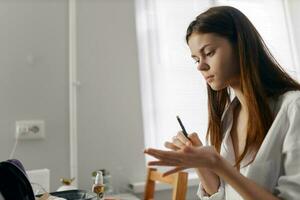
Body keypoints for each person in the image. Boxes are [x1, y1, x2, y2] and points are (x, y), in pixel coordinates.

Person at [144, 6, 300, 200]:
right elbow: (225, 194)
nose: (201, 66)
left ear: (241, 45)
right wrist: (202, 163)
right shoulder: (229, 115)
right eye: (196, 59)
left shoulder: (294, 107)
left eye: (209, 52)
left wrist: (218, 164)